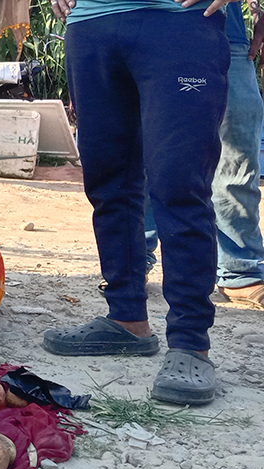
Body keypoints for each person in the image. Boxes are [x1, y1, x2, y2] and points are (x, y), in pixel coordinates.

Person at [43, 0, 230, 405]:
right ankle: (126, 319)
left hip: (179, 21)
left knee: (180, 182)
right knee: (107, 179)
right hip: (91, 22)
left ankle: (190, 341)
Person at [142, 1, 264, 310]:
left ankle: (241, 269)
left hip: (224, 30)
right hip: (139, 24)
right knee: (142, 146)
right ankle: (131, 260)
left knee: (238, 153)